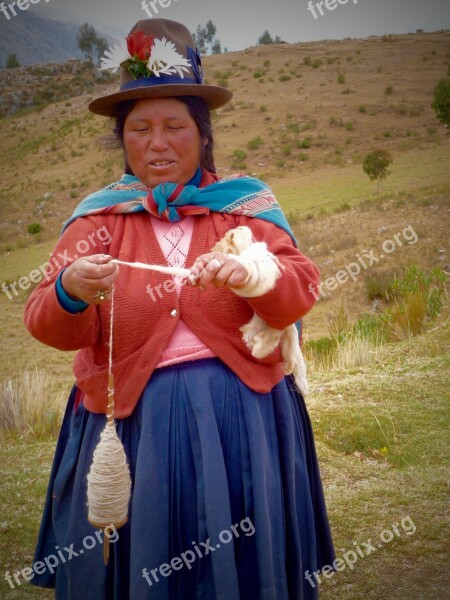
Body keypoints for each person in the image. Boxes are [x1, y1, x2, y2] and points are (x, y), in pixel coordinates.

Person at [24, 18, 335, 600]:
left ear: (203, 133)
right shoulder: (97, 221)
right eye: (140, 128)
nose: (157, 143)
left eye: (174, 126)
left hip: (243, 419)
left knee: (241, 566)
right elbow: (45, 320)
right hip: (133, 424)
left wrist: (253, 276)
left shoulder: (244, 207)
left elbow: (300, 290)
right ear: (122, 140)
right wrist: (70, 289)